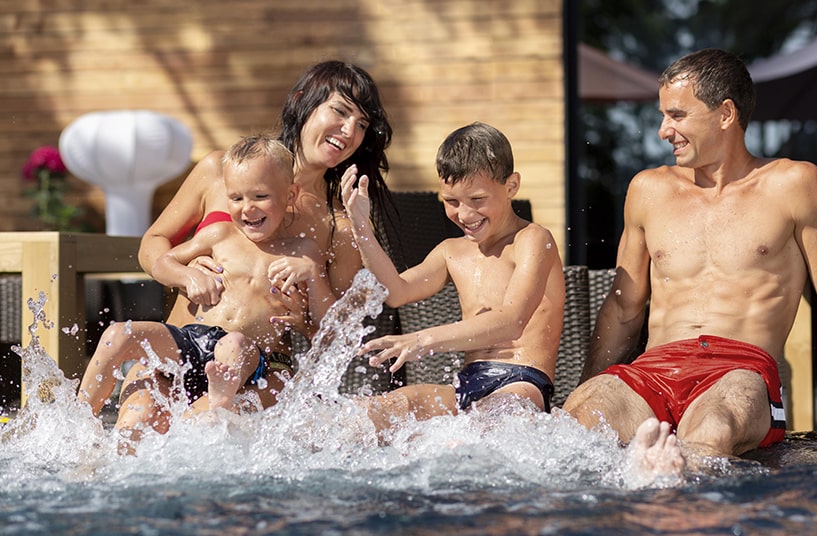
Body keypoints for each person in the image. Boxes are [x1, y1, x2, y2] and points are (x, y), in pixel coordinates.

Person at [561, 48, 817, 486]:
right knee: (577, 422)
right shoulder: (648, 190)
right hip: (652, 370)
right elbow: (623, 310)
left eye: (676, 115)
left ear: (725, 114)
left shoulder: (795, 185)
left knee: (710, 434)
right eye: (663, 116)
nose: (663, 131)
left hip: (739, 371)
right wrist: (590, 386)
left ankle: (675, 508)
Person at [114, 60, 394, 435]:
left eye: (361, 124)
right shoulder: (220, 169)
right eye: (341, 112)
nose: (349, 131)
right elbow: (153, 243)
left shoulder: (338, 222)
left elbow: (339, 331)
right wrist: (183, 274)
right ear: (302, 103)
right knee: (135, 426)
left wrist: (308, 319)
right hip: (179, 348)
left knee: (195, 435)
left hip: (259, 368)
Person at [78, 135, 334, 423]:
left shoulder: (302, 253)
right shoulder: (219, 234)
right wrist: (187, 275)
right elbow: (164, 261)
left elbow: (330, 322)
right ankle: (79, 422)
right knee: (118, 335)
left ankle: (218, 404)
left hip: (247, 355)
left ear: (290, 195)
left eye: (260, 197)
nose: (247, 208)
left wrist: (312, 275)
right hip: (191, 341)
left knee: (234, 344)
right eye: (236, 198)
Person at [341, 121, 565, 432]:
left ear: (511, 186)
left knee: (494, 423)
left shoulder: (532, 239)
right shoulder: (451, 251)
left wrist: (425, 339)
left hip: (520, 382)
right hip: (466, 385)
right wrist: (361, 227)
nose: (464, 214)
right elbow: (396, 291)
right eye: (452, 201)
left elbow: (512, 321)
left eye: (477, 199)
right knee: (383, 410)